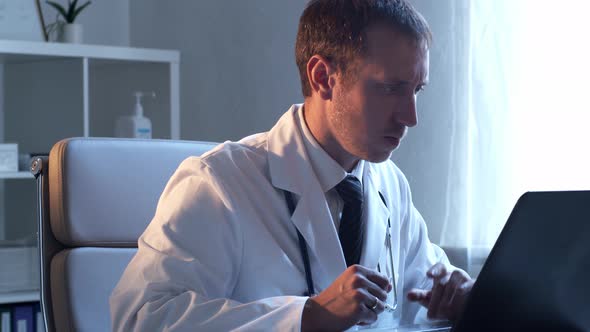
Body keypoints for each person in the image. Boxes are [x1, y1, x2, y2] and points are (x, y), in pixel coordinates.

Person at [110, 0, 474, 331]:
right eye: (390, 88)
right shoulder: (218, 183)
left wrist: (462, 298)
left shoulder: (389, 185)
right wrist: (308, 316)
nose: (410, 117)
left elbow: (420, 292)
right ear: (323, 78)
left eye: (416, 90)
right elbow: (143, 318)